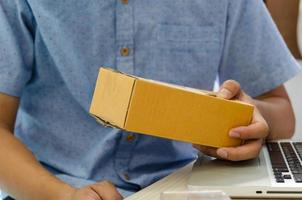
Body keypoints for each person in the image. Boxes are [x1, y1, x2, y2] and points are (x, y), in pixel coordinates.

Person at [0, 0, 300, 199]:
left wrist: (248, 118)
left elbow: (281, 112)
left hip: (187, 184)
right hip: (50, 188)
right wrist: (63, 195)